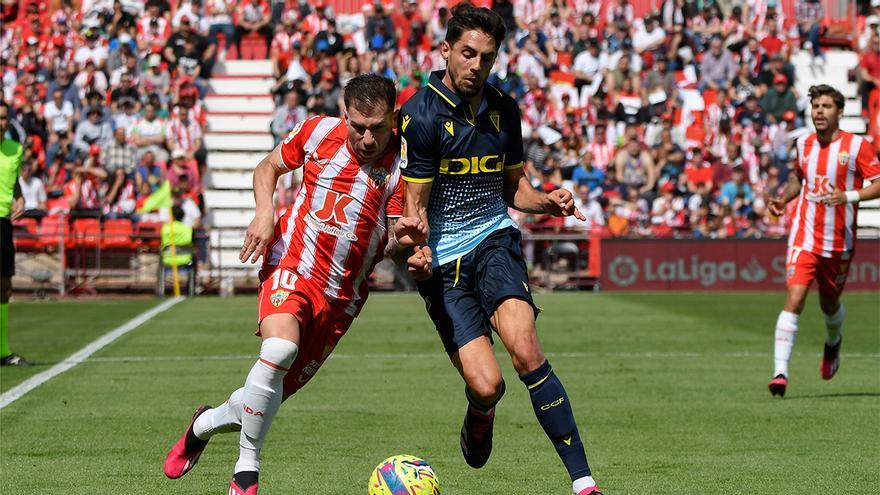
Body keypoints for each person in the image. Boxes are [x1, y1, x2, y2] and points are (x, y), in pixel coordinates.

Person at [163, 74, 426, 495]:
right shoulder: (317, 131)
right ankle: (246, 471)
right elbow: (268, 166)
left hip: (342, 297)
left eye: (377, 127)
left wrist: (410, 241)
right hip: (291, 262)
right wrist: (264, 212)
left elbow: (393, 244)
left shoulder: (403, 166)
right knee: (279, 348)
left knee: (264, 399)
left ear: (392, 118)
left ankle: (202, 425)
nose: (367, 137)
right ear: (345, 113)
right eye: (358, 126)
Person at [398, 4, 601, 495]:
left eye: (486, 58)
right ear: (446, 50)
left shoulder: (504, 110)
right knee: (487, 385)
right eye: (467, 54)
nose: (475, 65)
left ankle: (584, 483)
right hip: (444, 264)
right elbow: (413, 213)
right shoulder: (419, 116)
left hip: (494, 241)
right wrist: (415, 255)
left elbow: (515, 191)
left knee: (527, 349)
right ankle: (481, 410)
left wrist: (548, 202)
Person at [766, 85, 880, 397]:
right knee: (795, 298)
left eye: (826, 106)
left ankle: (833, 343)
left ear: (839, 112)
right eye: (816, 106)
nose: (819, 111)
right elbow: (798, 179)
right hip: (804, 237)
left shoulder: (858, 146)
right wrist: (783, 199)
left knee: (829, 304)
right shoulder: (803, 144)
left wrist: (848, 196)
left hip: (839, 242)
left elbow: (878, 184)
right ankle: (780, 373)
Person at [0, 101, 31, 366]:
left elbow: (13, 179)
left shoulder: (15, 150)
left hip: (3, 222)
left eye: (2, 118)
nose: (0, 123)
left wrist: (18, 197)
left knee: (5, 287)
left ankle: (3, 351)